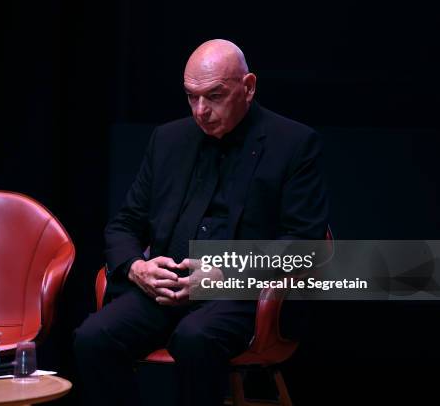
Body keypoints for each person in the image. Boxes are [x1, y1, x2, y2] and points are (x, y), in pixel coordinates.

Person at [74, 39, 329, 406]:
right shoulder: (168, 139)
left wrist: (223, 274)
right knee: (93, 337)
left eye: (214, 96)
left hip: (245, 294)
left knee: (195, 337)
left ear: (249, 87)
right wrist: (136, 268)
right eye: (191, 97)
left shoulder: (294, 143)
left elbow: (305, 243)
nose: (201, 110)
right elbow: (123, 225)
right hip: (167, 289)